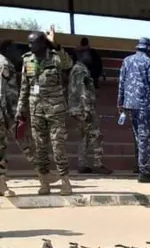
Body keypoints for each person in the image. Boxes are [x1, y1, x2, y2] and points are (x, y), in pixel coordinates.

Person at [17, 27, 73, 196]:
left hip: (55, 110)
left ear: (43, 43)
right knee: (40, 147)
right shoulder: (29, 60)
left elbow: (68, 63)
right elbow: (25, 87)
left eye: (33, 43)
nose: (30, 46)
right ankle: (44, 182)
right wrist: (21, 109)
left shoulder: (56, 58)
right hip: (36, 110)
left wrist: (55, 43)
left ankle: (65, 182)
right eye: (29, 43)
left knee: (58, 147)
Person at [117, 37, 150, 184]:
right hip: (144, 104)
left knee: (138, 137)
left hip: (129, 104)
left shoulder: (126, 61)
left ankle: (141, 166)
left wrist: (120, 103)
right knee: (145, 138)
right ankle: (144, 172)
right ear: (148, 49)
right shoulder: (149, 62)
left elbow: (121, 83)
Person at [68, 48, 111, 175]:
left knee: (84, 136)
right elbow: (82, 90)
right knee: (96, 135)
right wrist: (87, 109)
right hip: (83, 108)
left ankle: (82, 164)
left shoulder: (77, 69)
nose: (90, 59)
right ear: (82, 57)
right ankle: (97, 163)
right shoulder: (80, 70)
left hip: (77, 108)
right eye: (88, 56)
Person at [0, 39, 34, 196]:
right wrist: (11, 116)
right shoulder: (4, 63)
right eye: (14, 49)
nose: (18, 54)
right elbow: (4, 93)